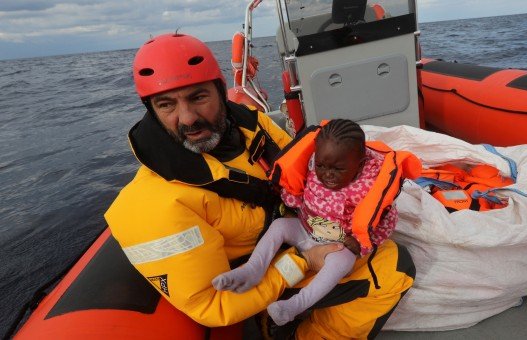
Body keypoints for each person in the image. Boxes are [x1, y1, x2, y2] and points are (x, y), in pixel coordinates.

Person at [105, 32, 416, 339]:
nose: (188, 118)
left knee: (383, 248)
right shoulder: (152, 206)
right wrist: (302, 261)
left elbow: (301, 176)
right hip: (260, 276)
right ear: (151, 111)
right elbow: (211, 305)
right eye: (166, 105)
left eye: (198, 97)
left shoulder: (253, 126)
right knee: (395, 268)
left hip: (302, 230)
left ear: (219, 90)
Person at [213, 119, 420, 327]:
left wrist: (363, 244)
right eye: (321, 165)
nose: (327, 174)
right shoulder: (313, 164)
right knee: (279, 227)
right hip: (305, 229)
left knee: (343, 262)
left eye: (338, 169)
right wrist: (291, 203)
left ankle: (294, 306)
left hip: (336, 245)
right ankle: (253, 269)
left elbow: (386, 221)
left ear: (361, 163)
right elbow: (299, 190)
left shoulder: (370, 187)